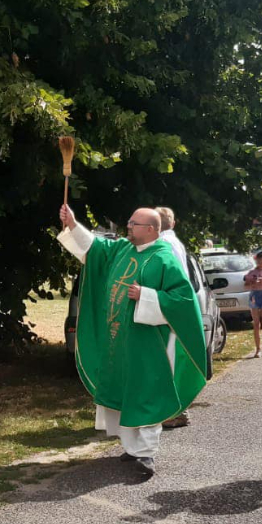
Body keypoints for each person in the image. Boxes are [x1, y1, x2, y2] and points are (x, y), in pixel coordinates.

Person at [57, 204, 208, 476]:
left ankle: (147, 454)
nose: (128, 226)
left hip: (148, 344)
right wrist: (73, 224)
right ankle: (131, 448)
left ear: (151, 230)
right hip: (119, 340)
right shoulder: (124, 249)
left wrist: (148, 296)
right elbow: (94, 248)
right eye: (129, 221)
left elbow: (182, 300)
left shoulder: (164, 258)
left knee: (147, 393)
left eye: (133, 224)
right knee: (123, 390)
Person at [156, 206, 194, 429]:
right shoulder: (174, 242)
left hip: (168, 307)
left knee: (168, 361)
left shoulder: (165, 245)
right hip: (174, 306)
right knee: (172, 360)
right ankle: (177, 411)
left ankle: (174, 411)